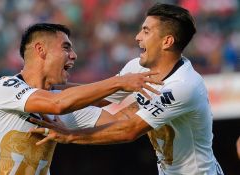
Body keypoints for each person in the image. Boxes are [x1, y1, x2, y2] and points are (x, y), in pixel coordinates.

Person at [30, 4, 224, 175]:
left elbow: (129, 130)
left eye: (146, 31)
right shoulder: (137, 67)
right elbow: (100, 96)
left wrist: (70, 135)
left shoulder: (184, 86)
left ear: (167, 41)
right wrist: (47, 88)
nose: (138, 37)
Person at [0, 23, 162, 175]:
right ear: (40, 50)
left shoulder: (66, 103)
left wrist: (164, 94)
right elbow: (57, 104)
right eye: (66, 47)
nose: (74, 55)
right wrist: (120, 82)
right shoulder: (5, 87)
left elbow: (124, 122)